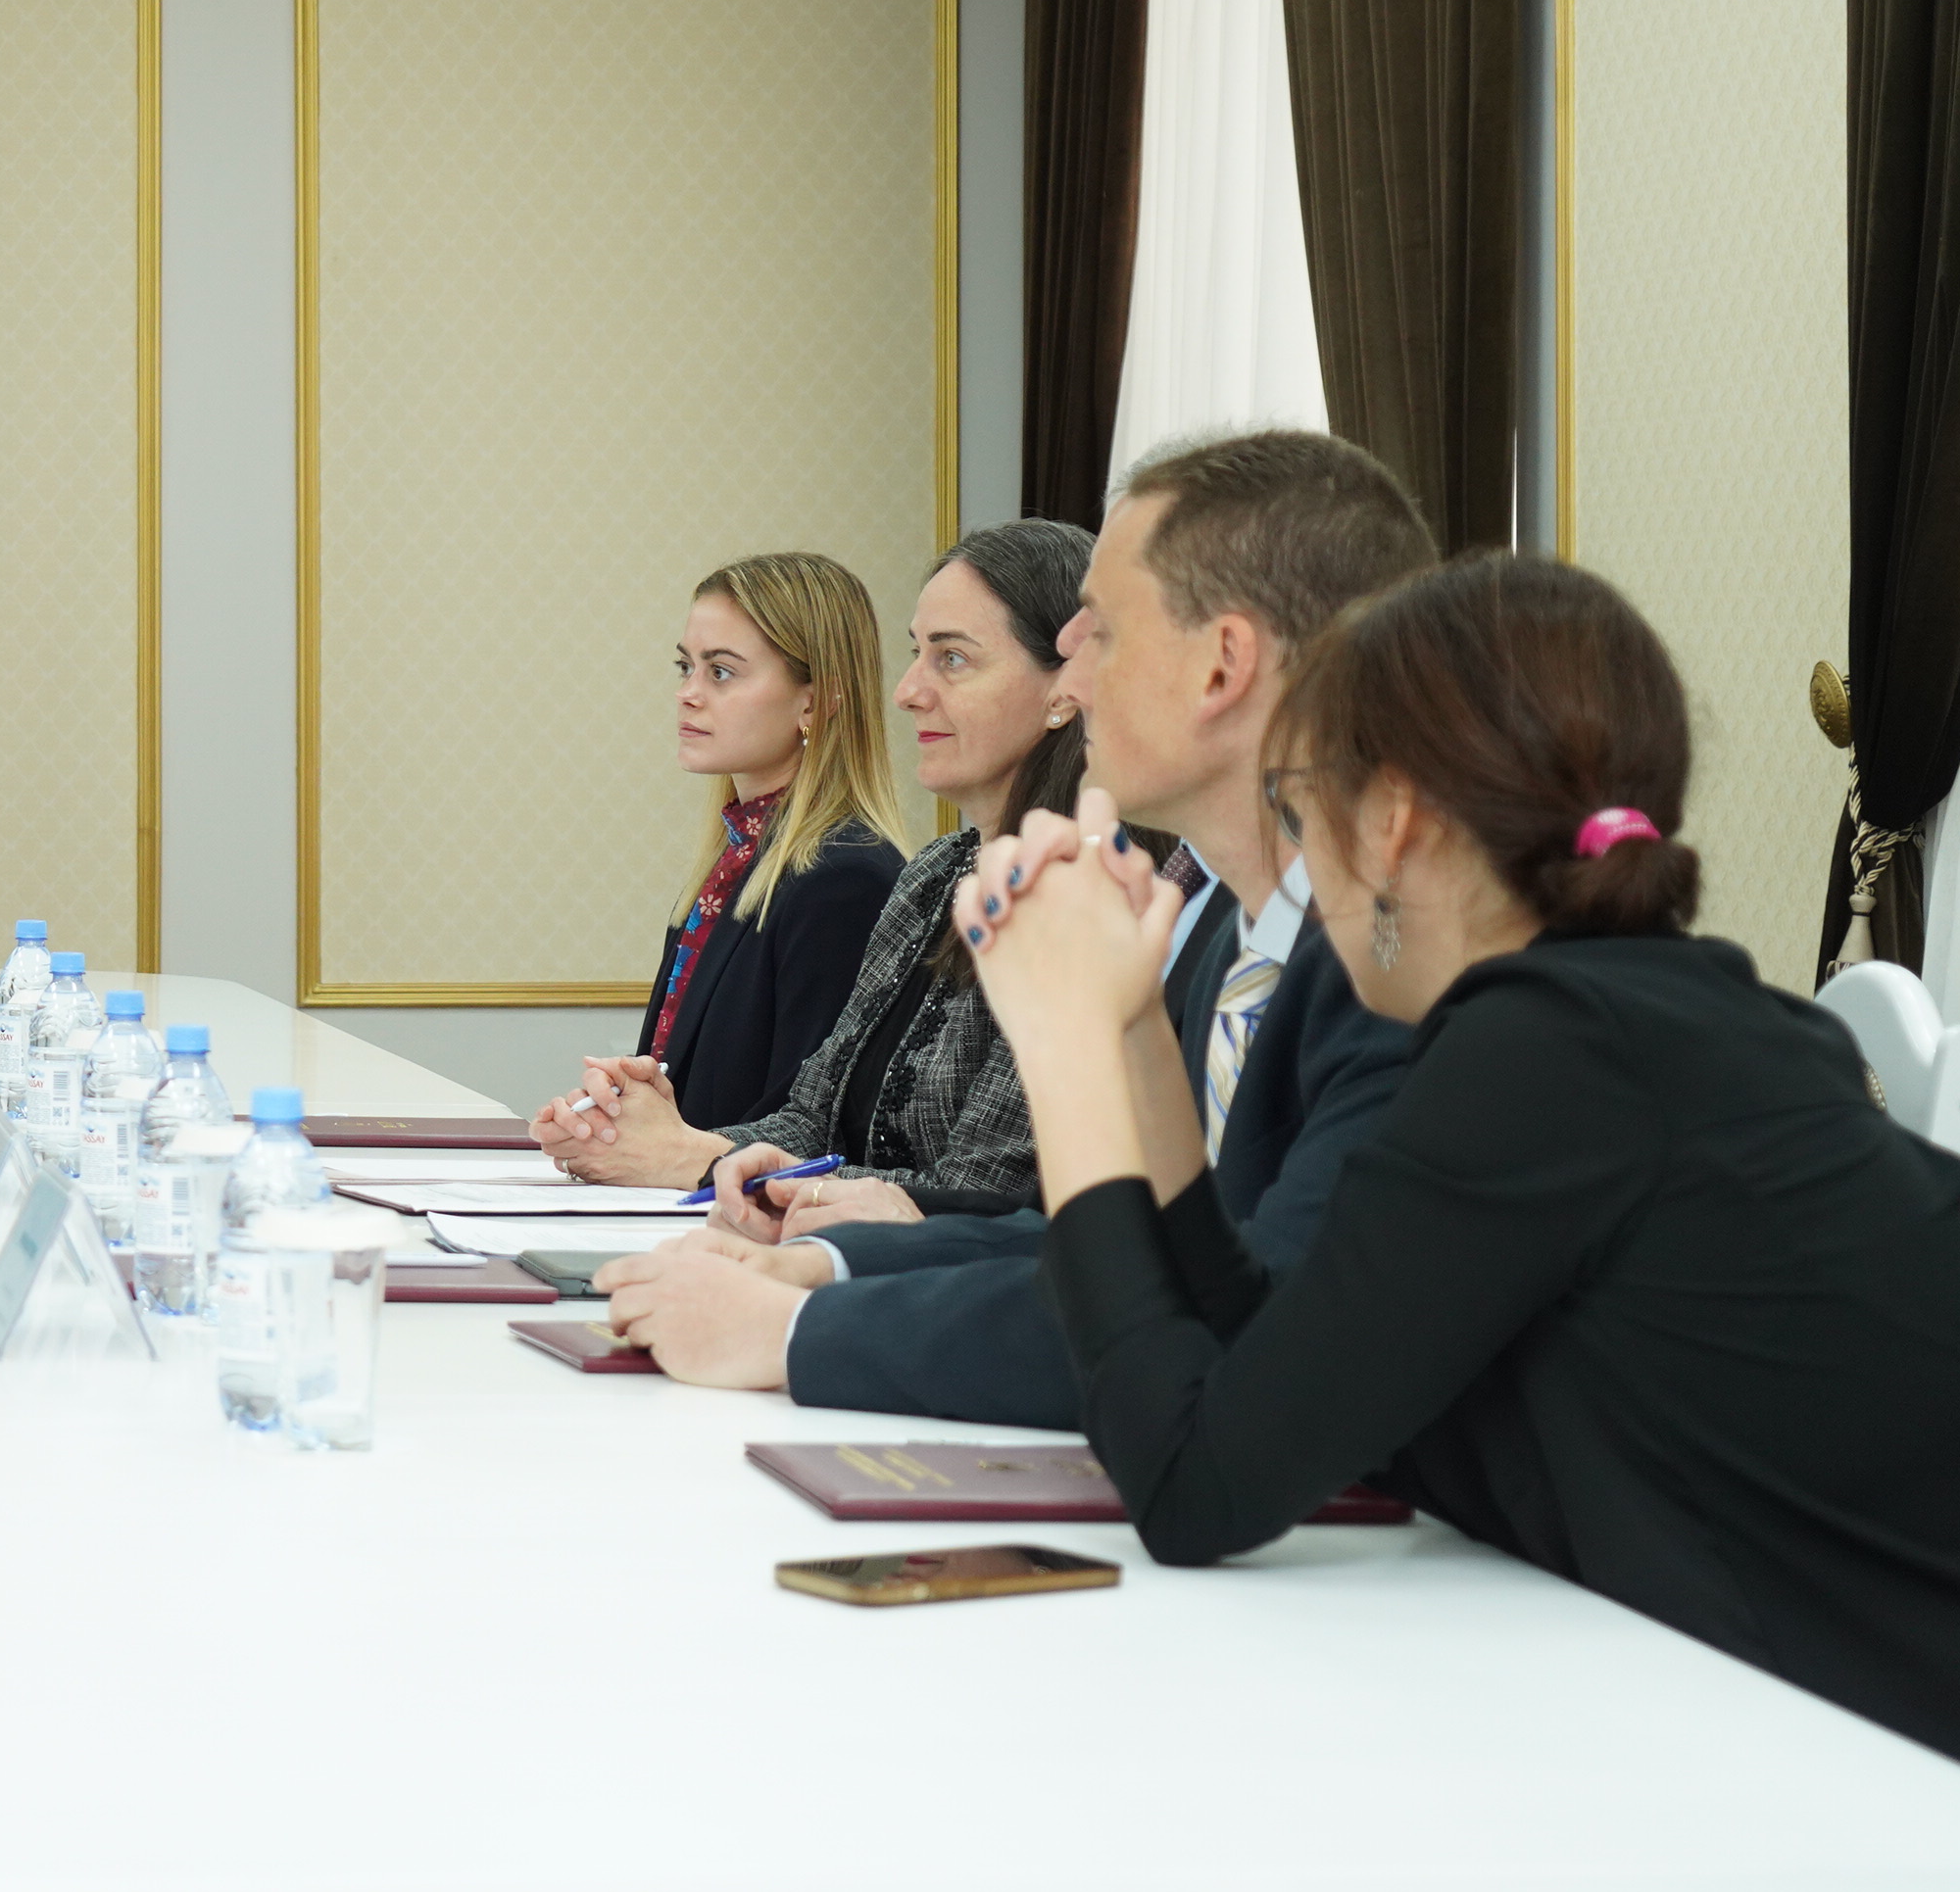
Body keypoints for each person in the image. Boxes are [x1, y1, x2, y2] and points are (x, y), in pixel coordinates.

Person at [958, 557, 1960, 1770]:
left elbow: (1190, 1487)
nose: (1301, 859)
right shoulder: (1634, 1024)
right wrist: (1131, 1024)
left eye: (1300, 805)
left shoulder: (1556, 1057)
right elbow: (1263, 1352)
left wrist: (1062, 1036)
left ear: (1391, 822)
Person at [601, 429, 1429, 1412]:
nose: (1074, 685)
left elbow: (1239, 1343)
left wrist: (799, 1326)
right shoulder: (1220, 926)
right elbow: (1128, 1254)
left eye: (1102, 636)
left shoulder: (1391, 967)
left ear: (1222, 666)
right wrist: (831, 1267)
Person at [538, 521, 1094, 1209]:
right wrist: (651, 1139)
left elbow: (983, 1194)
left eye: (952, 658)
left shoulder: (1086, 899)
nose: (906, 691)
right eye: (916, 654)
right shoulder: (935, 875)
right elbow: (812, 1120)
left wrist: (695, 1158)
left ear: (1066, 688)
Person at [526, 551, 905, 1160]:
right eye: (686, 666)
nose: (688, 694)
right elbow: (687, 1104)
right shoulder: (736, 863)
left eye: (721, 672)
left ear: (815, 702)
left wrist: (657, 1150)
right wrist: (611, 1117)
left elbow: (812, 1135)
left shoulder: (846, 881)